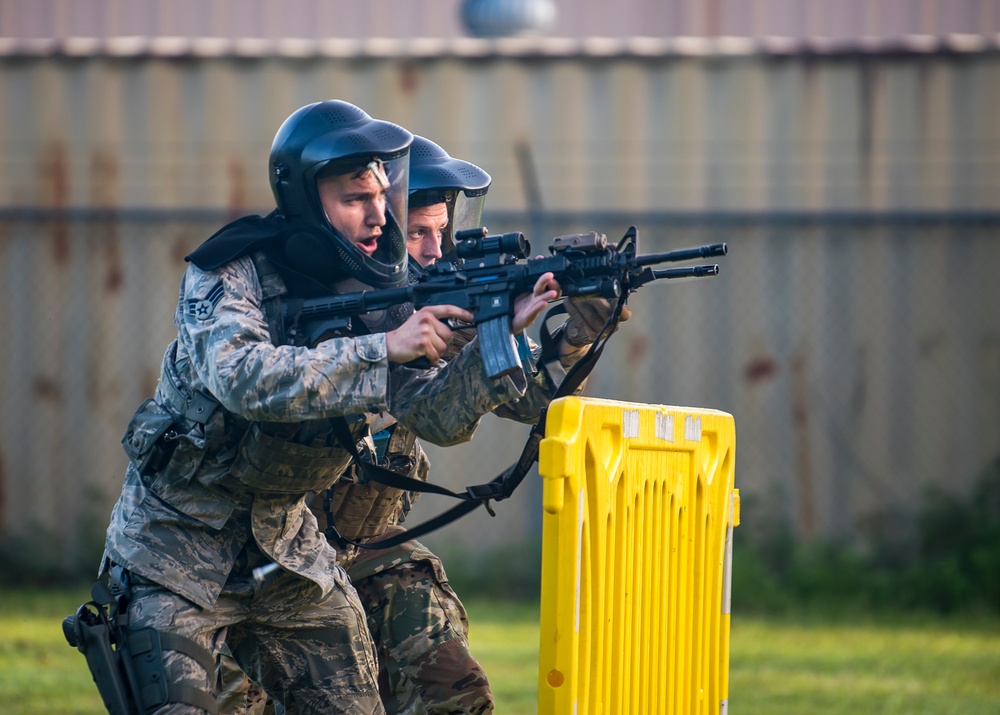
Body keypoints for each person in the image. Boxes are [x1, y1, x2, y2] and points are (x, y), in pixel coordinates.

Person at [97, 99, 564, 714]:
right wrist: (386, 347)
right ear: (305, 201)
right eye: (354, 199)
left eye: (379, 195)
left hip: (290, 554)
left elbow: (436, 417)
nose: (378, 216)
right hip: (176, 551)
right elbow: (243, 378)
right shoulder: (230, 269)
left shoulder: (383, 286)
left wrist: (510, 337)